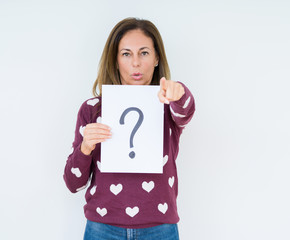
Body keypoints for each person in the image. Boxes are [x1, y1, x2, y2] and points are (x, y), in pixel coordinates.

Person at [63, 17, 195, 240]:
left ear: (156, 59)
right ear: (115, 60)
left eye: (144, 53)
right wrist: (85, 147)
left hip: (159, 226)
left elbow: (185, 112)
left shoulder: (168, 106)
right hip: (102, 227)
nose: (135, 63)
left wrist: (178, 92)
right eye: (126, 54)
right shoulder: (92, 109)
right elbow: (73, 183)